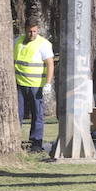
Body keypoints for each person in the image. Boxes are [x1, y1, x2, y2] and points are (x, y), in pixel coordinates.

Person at [13, 19, 55, 153]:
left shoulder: (43, 44)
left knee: (37, 114)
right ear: (25, 30)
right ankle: (14, 140)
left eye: (35, 31)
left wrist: (48, 84)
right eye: (30, 31)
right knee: (17, 113)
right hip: (19, 84)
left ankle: (36, 143)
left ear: (38, 30)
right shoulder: (17, 41)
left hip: (36, 86)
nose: (32, 34)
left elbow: (50, 64)